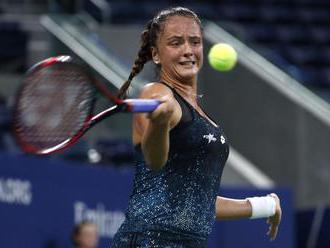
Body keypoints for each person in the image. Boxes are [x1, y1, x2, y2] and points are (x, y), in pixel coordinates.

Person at [111, 6, 282, 247]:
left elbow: (197, 202)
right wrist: (159, 124)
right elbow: (155, 159)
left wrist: (265, 205)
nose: (188, 50)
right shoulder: (156, 93)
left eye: (194, 42)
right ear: (156, 54)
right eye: (176, 42)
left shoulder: (201, 115)